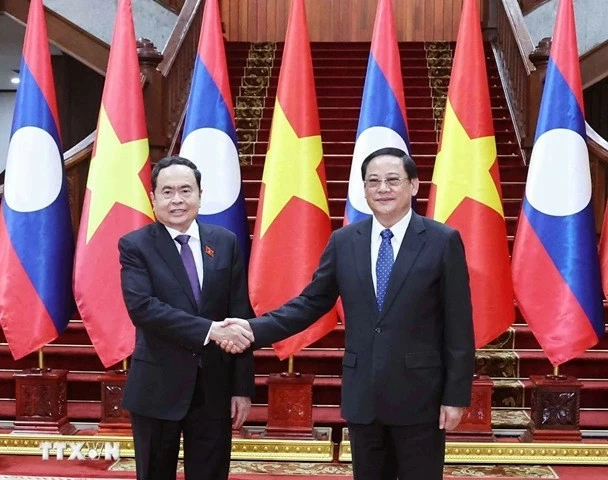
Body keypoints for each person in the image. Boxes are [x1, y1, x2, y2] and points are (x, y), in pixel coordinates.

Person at [221, 147, 475, 480]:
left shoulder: (442, 241)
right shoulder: (344, 242)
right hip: (363, 396)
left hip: (421, 398)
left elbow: (459, 326)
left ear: (413, 186)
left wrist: (455, 396)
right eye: (373, 181)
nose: (382, 189)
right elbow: (311, 302)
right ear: (364, 189)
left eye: (392, 180)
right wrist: (254, 330)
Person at [118, 155, 256, 480]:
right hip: (157, 387)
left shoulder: (225, 242)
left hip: (214, 389)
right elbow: (143, 309)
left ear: (199, 194)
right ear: (153, 198)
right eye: (167, 191)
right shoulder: (135, 246)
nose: (177, 200)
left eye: (185, 190)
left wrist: (242, 387)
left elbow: (239, 315)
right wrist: (209, 330)